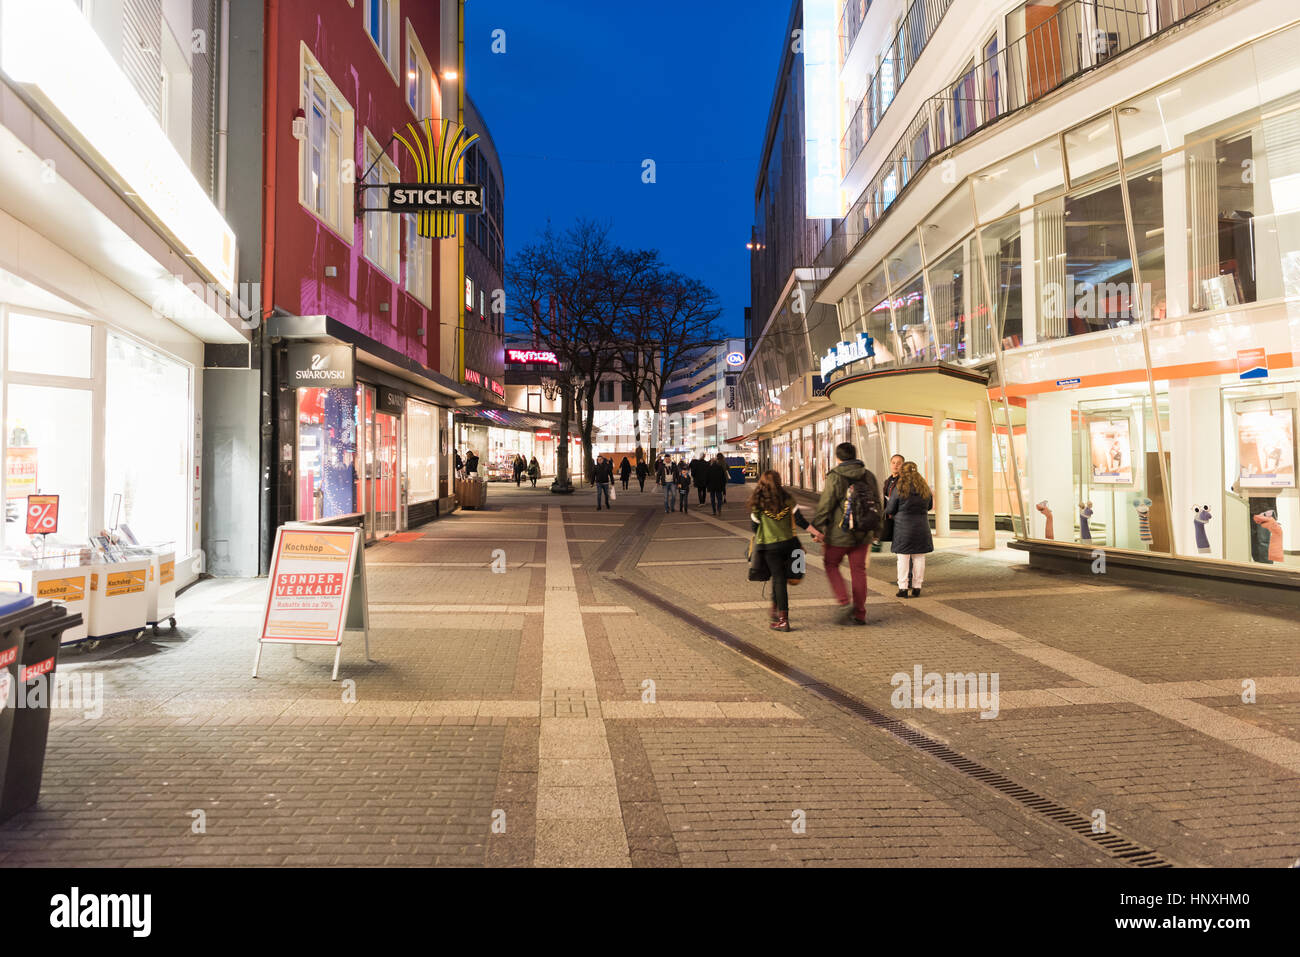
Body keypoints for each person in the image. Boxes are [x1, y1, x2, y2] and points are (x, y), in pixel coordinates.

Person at [809, 442, 880, 626]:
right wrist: (877, 531)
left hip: (840, 533)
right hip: (864, 532)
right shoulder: (868, 475)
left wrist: (816, 528)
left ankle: (844, 602)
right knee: (859, 571)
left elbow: (826, 504)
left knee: (830, 564)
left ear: (838, 457)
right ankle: (860, 614)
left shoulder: (836, 476)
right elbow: (877, 504)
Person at [748, 470, 813, 632]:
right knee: (781, 579)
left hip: (770, 546)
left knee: (778, 579)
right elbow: (800, 520)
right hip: (789, 544)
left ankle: (783, 619)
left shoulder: (758, 502)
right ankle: (775, 608)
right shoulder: (787, 498)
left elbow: (755, 527)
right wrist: (817, 533)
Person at [884, 461, 934, 598]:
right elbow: (929, 506)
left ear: (902, 472)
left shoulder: (899, 488)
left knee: (903, 559)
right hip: (922, 527)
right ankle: (917, 587)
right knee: (919, 557)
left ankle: (903, 588)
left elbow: (890, 508)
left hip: (903, 528)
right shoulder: (924, 487)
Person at [874, 454, 904, 553]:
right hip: (889, 515)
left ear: (903, 465)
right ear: (890, 464)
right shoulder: (888, 481)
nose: (895, 465)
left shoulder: (904, 481)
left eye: (899, 463)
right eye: (893, 463)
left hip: (900, 516)